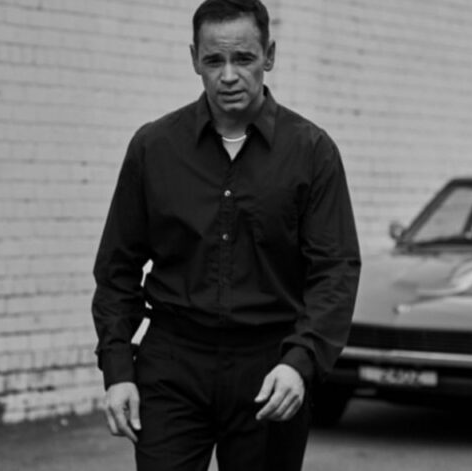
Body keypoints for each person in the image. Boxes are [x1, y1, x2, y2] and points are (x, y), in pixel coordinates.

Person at [91, 0, 361, 469]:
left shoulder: (311, 152)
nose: (229, 75)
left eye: (244, 58)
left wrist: (300, 363)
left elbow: (335, 272)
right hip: (172, 365)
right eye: (214, 60)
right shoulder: (154, 147)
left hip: (269, 367)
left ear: (269, 56)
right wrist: (118, 370)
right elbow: (117, 268)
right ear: (194, 59)